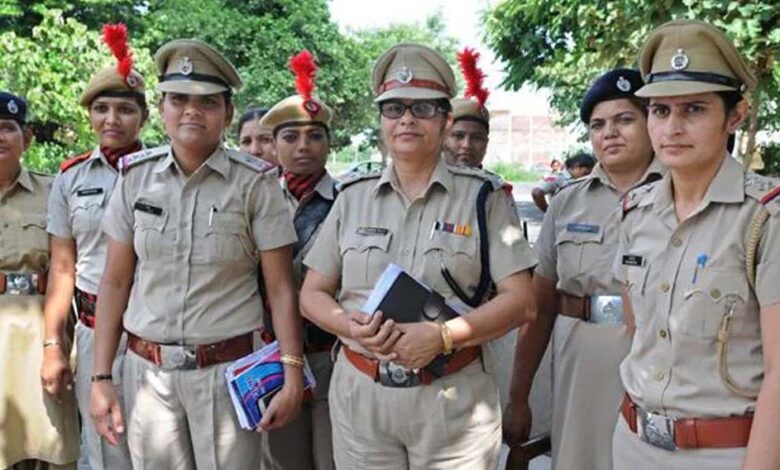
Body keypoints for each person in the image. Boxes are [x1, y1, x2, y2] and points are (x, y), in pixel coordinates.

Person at [299, 43, 538, 470]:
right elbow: (312, 293)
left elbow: (522, 302)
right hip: (362, 398)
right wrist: (345, 324)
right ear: (381, 121)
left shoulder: (483, 198)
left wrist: (443, 336)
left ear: (446, 121)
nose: (407, 119)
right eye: (393, 109)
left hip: (453, 401)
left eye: (423, 108)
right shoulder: (351, 197)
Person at [89, 38, 304, 469]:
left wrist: (292, 373)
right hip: (149, 376)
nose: (191, 111)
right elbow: (115, 281)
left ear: (227, 113)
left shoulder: (255, 184)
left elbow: (281, 288)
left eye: (207, 101)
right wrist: (101, 376)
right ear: (161, 108)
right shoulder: (136, 178)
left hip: (226, 376)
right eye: (178, 99)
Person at [613, 20, 780, 469]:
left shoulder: (765, 219)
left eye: (694, 109)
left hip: (724, 454)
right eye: (660, 110)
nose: (672, 127)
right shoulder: (635, 212)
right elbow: (638, 333)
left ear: (735, 116)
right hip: (633, 445)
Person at [503, 68, 665, 470]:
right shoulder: (567, 202)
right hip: (582, 354)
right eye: (598, 125)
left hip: (658, 356)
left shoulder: (680, 193)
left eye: (625, 119)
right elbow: (539, 307)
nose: (610, 133)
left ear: (651, 122)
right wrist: (518, 397)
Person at [40, 24, 144, 470]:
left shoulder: (161, 173)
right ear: (89, 116)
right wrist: (53, 344)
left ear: (144, 118)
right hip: (92, 327)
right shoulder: (70, 179)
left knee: (157, 447)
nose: (112, 119)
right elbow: (63, 268)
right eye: (102, 109)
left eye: (125, 109)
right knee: (106, 447)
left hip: (150, 334)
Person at [256, 50, 337, 470]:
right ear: (273, 145)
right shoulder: (256, 199)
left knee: (333, 460)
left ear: (329, 143)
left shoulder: (350, 201)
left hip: (332, 355)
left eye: (315, 136)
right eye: (290, 137)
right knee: (283, 461)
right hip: (270, 356)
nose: (303, 146)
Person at [0, 91, 79, 469]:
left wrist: (55, 344)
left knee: (50, 442)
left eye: (7, 128)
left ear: (27, 138)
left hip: (42, 326)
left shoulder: (54, 190)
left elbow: (67, 267)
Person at [444, 47, 490, 169]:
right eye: (458, 136)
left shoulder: (495, 182)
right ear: (442, 139)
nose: (466, 145)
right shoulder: (420, 179)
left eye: (477, 138)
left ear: (486, 143)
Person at [531, 152, 596, 212]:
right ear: (576, 166)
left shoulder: (580, 179)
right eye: (585, 173)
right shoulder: (557, 178)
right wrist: (548, 212)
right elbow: (536, 193)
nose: (587, 177)